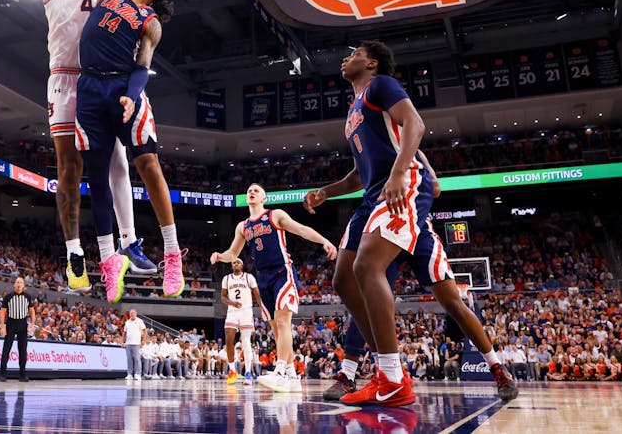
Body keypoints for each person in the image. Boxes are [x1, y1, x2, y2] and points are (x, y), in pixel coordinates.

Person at [303, 41, 516, 406]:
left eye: (354, 53)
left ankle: (491, 368)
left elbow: (415, 123)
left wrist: (401, 172)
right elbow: (359, 174)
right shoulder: (353, 111)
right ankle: (383, 371)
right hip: (374, 195)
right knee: (344, 279)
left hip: (402, 190)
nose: (346, 57)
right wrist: (326, 191)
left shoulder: (381, 85)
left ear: (371, 63)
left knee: (445, 298)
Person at [38, 0, 159, 294]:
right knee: (69, 168)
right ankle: (74, 252)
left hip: (100, 79)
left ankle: (128, 244)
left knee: (119, 162)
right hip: (64, 81)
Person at [75, 0, 185, 303]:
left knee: (148, 164)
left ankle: (172, 254)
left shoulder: (150, 22)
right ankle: (109, 260)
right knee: (96, 176)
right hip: (89, 87)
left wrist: (132, 96)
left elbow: (142, 66)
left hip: (124, 88)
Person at [210, 183, 337, 392]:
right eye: (249, 190)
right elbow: (233, 253)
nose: (251, 192)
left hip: (282, 271)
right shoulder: (242, 226)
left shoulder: (275, 215)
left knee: (283, 321)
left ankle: (279, 371)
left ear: (264, 198)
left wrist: (324, 241)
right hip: (263, 277)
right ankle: (292, 377)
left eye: (256, 190)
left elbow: (301, 229)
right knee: (276, 329)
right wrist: (220, 256)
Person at [220, 258, 264, 385]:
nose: (236, 264)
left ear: (242, 265)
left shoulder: (248, 277)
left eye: (238, 262)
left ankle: (248, 373)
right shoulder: (227, 278)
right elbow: (222, 297)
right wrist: (232, 303)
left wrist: (262, 307)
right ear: (231, 266)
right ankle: (232, 371)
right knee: (229, 341)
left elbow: (256, 293)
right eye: (233, 263)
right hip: (232, 311)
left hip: (246, 311)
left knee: (246, 343)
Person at [0, 276, 36, 382]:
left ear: (23, 285)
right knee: (6, 348)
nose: (19, 284)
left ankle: (22, 375)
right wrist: (2, 325)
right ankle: (3, 374)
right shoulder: (8, 296)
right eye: (17, 282)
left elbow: (32, 311)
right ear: (14, 284)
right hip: (11, 323)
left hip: (22, 324)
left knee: (23, 350)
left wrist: (32, 323)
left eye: (21, 282)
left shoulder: (27, 297)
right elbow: (2, 312)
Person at [123, 309, 146, 381]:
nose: (132, 314)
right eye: (131, 313)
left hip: (136, 343)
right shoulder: (127, 322)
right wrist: (122, 341)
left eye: (133, 313)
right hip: (128, 343)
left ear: (136, 314)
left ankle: (137, 374)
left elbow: (144, 331)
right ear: (129, 314)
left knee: (137, 359)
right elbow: (124, 332)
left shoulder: (139, 321)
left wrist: (143, 340)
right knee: (129, 359)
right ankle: (129, 374)